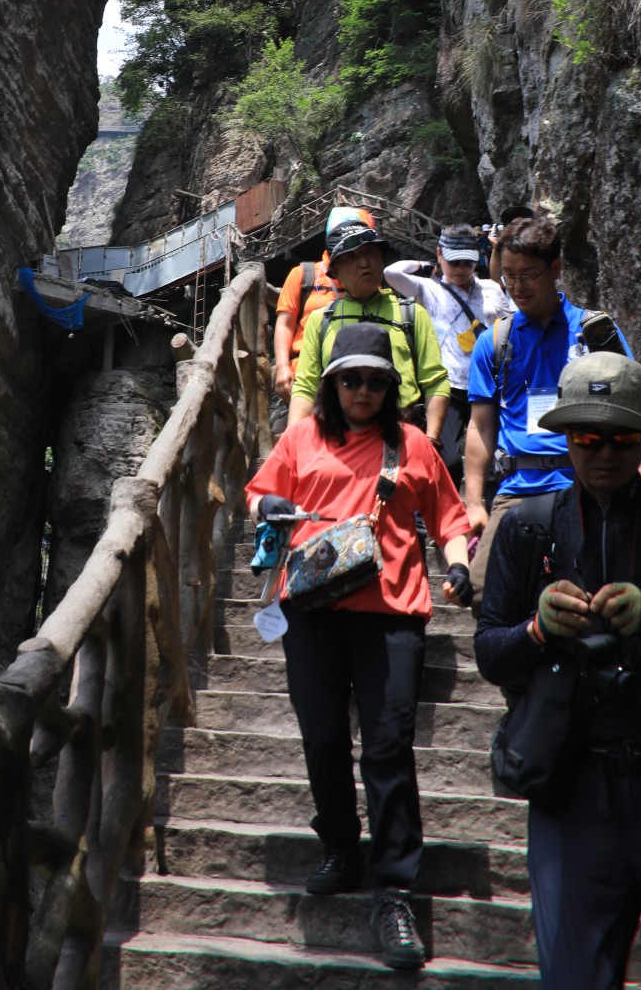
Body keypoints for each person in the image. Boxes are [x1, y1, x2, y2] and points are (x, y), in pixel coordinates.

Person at [248, 322, 473, 969]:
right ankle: (341, 846)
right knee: (322, 736)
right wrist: (269, 508)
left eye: (376, 381)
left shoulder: (413, 445)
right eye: (352, 379)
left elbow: (450, 517)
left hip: (392, 614)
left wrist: (459, 564)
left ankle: (395, 887)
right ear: (333, 383)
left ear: (390, 387)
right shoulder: (302, 437)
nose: (364, 391)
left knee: (388, 744)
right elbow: (259, 494)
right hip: (311, 609)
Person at [475, 352, 641, 989]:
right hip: (572, 782)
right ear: (566, 439)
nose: (605, 452)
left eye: (622, 437)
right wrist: (538, 630)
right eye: (588, 437)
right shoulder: (527, 529)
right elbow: (490, 652)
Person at [464, 215, 632, 606]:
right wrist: (473, 502)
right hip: (517, 490)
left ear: (555, 269)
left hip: (588, 487)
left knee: (589, 598)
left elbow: (630, 411)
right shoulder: (495, 342)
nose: (517, 286)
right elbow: (480, 427)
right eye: (508, 276)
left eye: (528, 275)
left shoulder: (596, 334)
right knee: (484, 594)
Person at [287, 216, 452, 442]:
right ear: (334, 271)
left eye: (370, 252)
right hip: (339, 441)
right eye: (351, 257)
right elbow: (306, 387)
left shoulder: (412, 315)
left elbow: (435, 380)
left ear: (382, 258)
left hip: (401, 438)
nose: (364, 263)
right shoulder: (321, 320)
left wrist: (431, 439)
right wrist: (292, 445)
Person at [386, 225, 512, 483]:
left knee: (493, 456)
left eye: (468, 262)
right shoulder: (426, 289)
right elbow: (391, 272)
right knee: (449, 459)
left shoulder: (490, 289)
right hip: (448, 384)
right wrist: (423, 264)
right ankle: (446, 504)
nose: (461, 268)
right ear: (439, 254)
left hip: (486, 382)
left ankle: (487, 503)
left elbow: (509, 327)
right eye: (454, 261)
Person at [272, 207, 376, 438]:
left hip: (356, 376)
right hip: (307, 373)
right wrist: (282, 367)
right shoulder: (303, 275)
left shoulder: (369, 279)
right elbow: (285, 324)